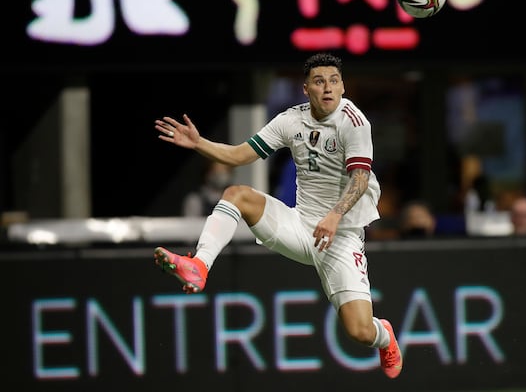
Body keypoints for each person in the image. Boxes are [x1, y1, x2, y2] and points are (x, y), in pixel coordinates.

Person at [153, 53, 402, 378]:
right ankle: (199, 265)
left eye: (334, 81)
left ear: (342, 87)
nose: (327, 88)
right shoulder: (290, 120)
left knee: (359, 332)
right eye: (319, 81)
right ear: (305, 89)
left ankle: (384, 334)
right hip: (299, 227)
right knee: (236, 195)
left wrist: (335, 215)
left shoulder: (354, 123)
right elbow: (241, 154)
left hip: (341, 238)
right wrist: (199, 143)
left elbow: (360, 179)